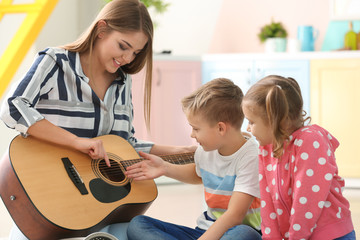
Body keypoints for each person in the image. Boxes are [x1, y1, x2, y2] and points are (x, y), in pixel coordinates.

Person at [0, 0, 194, 239]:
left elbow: (124, 146)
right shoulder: (55, 61)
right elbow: (13, 107)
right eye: (123, 46)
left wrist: (183, 151)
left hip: (95, 208)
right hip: (49, 198)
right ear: (101, 30)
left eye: (136, 52)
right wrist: (75, 142)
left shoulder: (123, 82)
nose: (127, 58)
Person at [125, 78, 262, 240]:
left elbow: (235, 215)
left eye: (196, 128)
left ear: (220, 128)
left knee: (244, 234)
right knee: (138, 224)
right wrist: (165, 168)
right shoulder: (207, 149)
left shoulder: (250, 156)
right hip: (203, 232)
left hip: (235, 232)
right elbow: (198, 174)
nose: (192, 134)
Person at [242, 75, 356, 240]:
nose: (248, 128)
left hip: (331, 235)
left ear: (278, 121)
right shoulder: (266, 148)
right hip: (297, 236)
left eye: (252, 122)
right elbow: (267, 204)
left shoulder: (311, 141)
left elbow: (307, 201)